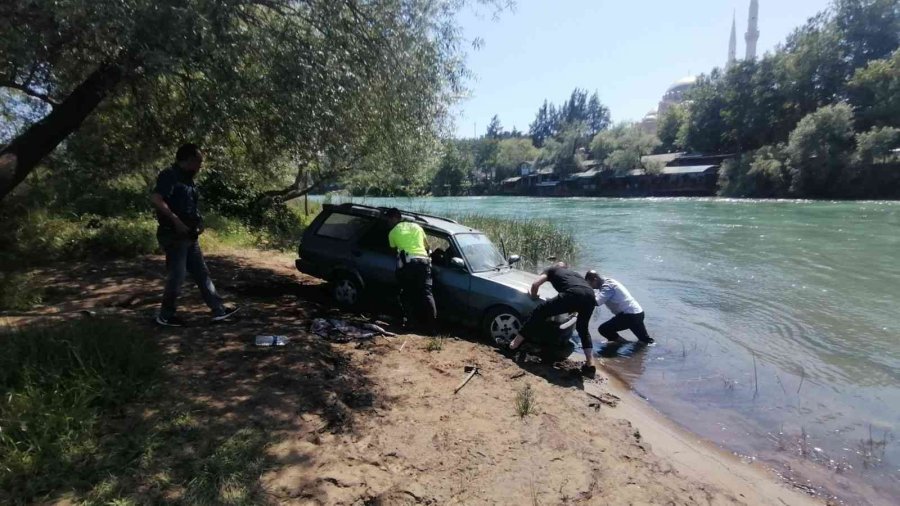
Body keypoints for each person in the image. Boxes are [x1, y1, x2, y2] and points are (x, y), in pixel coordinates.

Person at [151, 143, 239, 326]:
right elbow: (157, 199)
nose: (200, 166)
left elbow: (190, 206)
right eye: (198, 162)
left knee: (202, 273)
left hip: (190, 236)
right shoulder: (169, 176)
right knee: (177, 275)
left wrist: (198, 223)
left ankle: (218, 310)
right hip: (174, 235)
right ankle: (165, 316)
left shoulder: (188, 180)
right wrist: (176, 221)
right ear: (189, 160)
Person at [509, 262, 597, 377]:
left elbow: (535, 285)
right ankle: (590, 364)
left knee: (540, 311)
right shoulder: (573, 273)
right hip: (590, 295)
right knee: (583, 328)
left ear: (556, 266)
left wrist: (534, 296)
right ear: (565, 268)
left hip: (574, 293)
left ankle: (514, 345)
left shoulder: (551, 270)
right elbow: (581, 291)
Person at [386, 208, 436, 333]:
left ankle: (410, 324)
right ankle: (432, 327)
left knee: (407, 293)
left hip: (409, 264)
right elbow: (427, 246)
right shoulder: (417, 227)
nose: (388, 222)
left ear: (394, 218)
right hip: (424, 263)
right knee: (427, 294)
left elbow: (393, 250)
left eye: (388, 219)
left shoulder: (392, 232)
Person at [585, 270, 653, 345]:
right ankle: (648, 352)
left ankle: (624, 344)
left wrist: (583, 296)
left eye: (590, 284)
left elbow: (597, 302)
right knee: (645, 341)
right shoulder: (608, 281)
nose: (591, 287)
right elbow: (598, 295)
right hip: (638, 313)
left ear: (595, 279)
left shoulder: (607, 286)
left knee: (604, 329)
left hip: (629, 315)